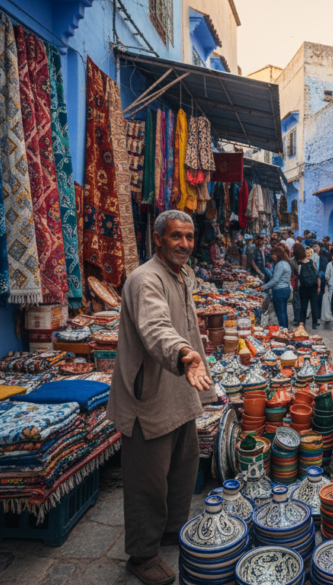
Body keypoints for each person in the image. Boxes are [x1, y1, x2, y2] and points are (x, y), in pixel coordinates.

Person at [108, 210, 214, 585]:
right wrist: (184, 355)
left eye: (189, 236)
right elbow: (156, 327)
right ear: (157, 239)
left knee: (182, 468)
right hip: (149, 397)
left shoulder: (180, 275)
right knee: (147, 481)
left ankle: (170, 530)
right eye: (176, 237)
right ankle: (142, 553)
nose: (184, 244)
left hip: (179, 390)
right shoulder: (145, 280)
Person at [259, 245, 293, 328]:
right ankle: (285, 330)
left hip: (279, 291)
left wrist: (263, 287)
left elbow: (275, 280)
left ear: (278, 254)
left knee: (280, 313)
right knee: (283, 312)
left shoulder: (280, 265)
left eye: (273, 254)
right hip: (286, 290)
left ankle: (283, 330)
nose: (272, 256)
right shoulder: (286, 263)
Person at [299, 246, 321, 329]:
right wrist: (318, 286)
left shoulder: (299, 263)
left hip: (303, 287)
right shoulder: (312, 262)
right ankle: (314, 324)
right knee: (314, 306)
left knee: (303, 306)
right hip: (313, 287)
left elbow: (298, 275)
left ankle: (302, 323)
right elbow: (316, 274)